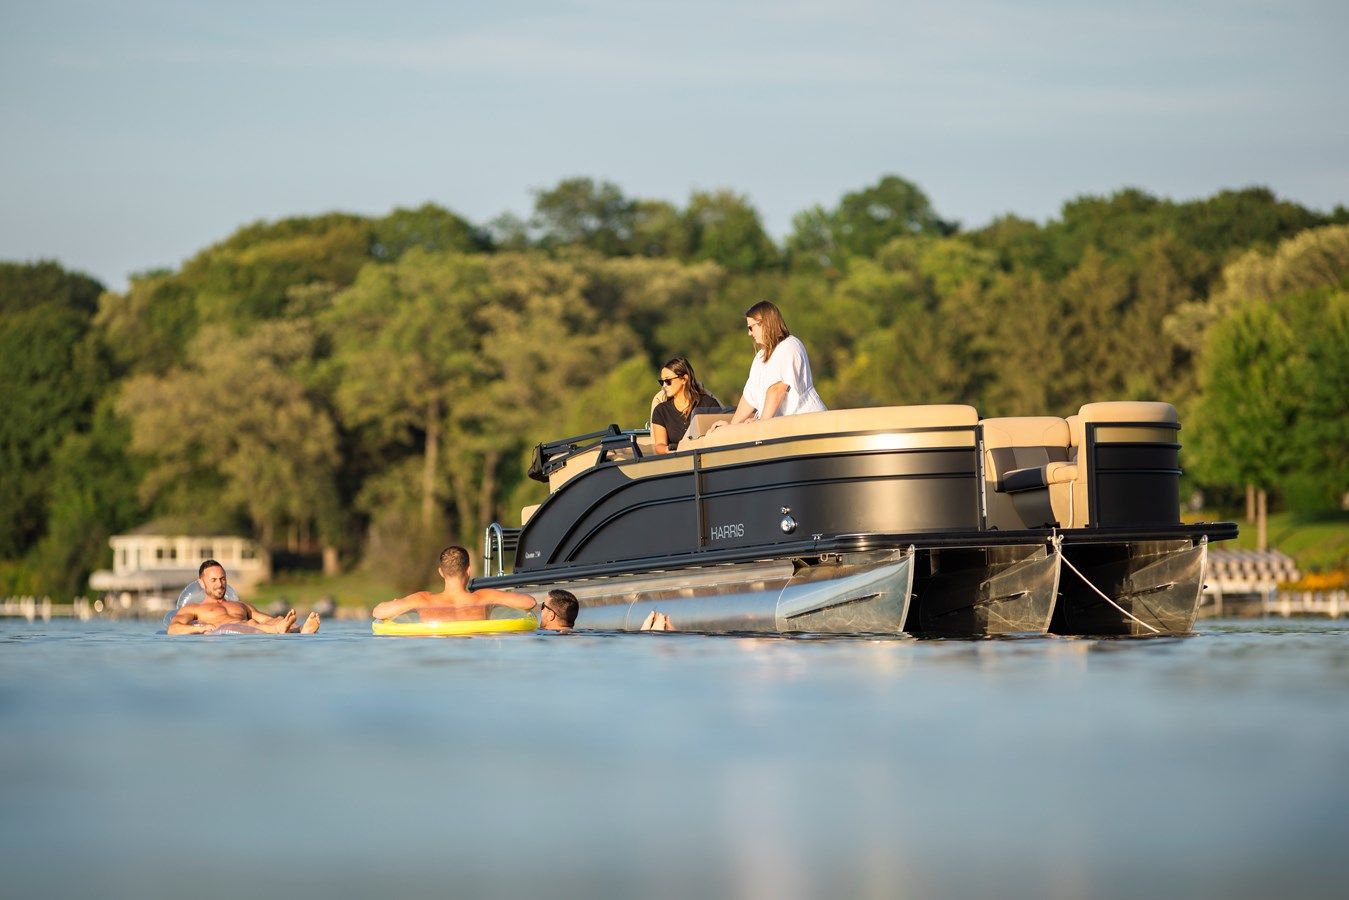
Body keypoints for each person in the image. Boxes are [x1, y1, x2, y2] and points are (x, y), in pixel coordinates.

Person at [710, 300, 826, 434]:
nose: (749, 333)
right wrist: (732, 426)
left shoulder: (790, 347)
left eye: (751, 328)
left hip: (808, 426)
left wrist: (761, 423)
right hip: (783, 429)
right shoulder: (760, 357)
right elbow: (750, 396)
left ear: (764, 323)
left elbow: (777, 389)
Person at [371, 546, 538, 622]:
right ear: (469, 570)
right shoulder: (484, 597)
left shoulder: (423, 600)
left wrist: (397, 602)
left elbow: (378, 612)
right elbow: (529, 602)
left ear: (441, 572)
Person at [167, 560, 320, 635]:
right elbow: (173, 629)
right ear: (201, 582)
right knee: (251, 623)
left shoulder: (240, 605)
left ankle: (301, 629)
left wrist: (281, 621)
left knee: (277, 618)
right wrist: (201, 628)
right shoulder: (194, 608)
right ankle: (279, 629)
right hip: (227, 630)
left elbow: (266, 619)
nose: (219, 584)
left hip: (252, 628)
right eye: (213, 580)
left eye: (222, 579)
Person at [650, 356, 723, 453]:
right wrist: (671, 449)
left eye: (668, 381)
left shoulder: (709, 404)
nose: (664, 386)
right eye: (661, 382)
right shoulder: (661, 411)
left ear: (684, 379)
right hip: (676, 459)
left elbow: (720, 437)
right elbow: (659, 445)